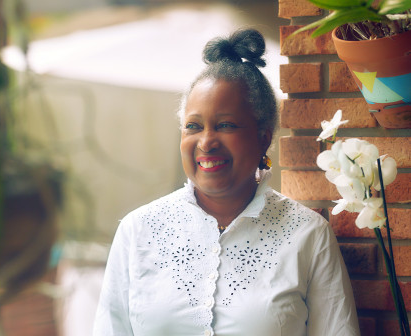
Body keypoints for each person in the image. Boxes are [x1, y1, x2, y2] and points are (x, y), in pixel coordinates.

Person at [93, 29, 360, 336]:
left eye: (225, 125)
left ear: (263, 138)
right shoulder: (138, 230)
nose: (206, 142)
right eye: (193, 126)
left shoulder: (307, 236)